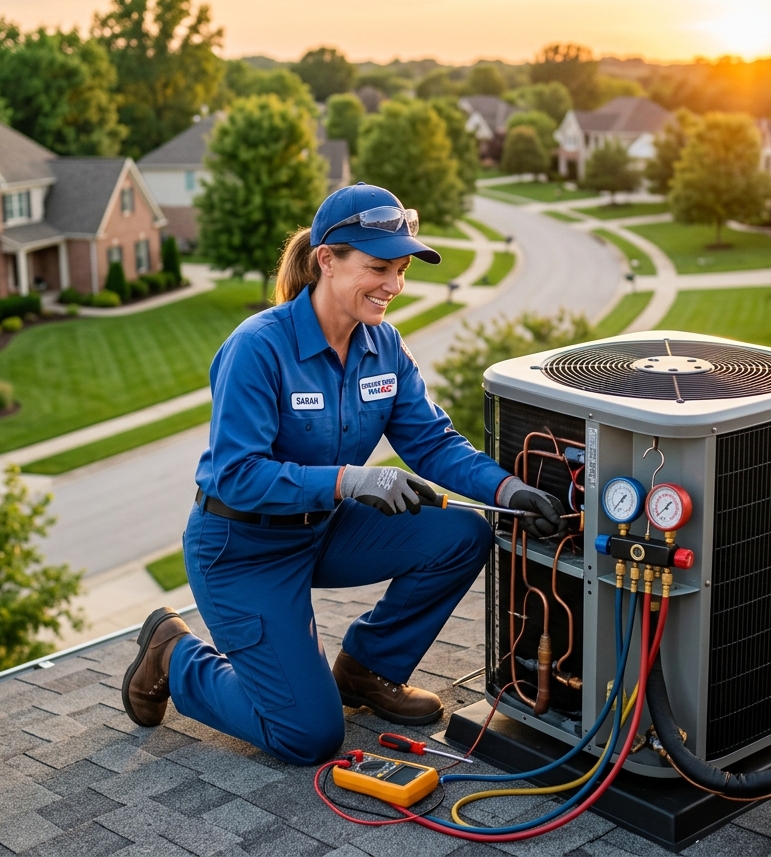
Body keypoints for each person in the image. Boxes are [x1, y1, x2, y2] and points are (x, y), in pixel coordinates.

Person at [121, 183, 565, 765]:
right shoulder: (258, 348)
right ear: (326, 260)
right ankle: (174, 655)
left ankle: (368, 669)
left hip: (322, 532)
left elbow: (431, 440)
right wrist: (349, 482)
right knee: (307, 735)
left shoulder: (383, 347)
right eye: (378, 267)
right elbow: (235, 475)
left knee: (463, 534)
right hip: (243, 548)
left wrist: (509, 489)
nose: (394, 286)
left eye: (402, 270)